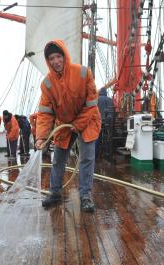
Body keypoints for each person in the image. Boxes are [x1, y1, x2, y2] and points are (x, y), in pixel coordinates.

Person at [35, 40, 101, 212]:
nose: (56, 61)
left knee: (86, 158)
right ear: (48, 61)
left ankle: (85, 195)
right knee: (58, 159)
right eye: (51, 58)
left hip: (87, 120)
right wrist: (41, 137)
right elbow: (45, 113)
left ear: (64, 55)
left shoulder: (83, 73)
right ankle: (55, 193)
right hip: (63, 124)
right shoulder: (47, 84)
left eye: (58, 56)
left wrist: (77, 125)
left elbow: (92, 103)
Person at [95, 87, 114, 157]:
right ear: (106, 93)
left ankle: (96, 155)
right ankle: (108, 154)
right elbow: (113, 111)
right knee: (108, 138)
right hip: (109, 122)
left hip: (99, 121)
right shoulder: (110, 100)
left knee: (97, 137)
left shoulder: (97, 99)